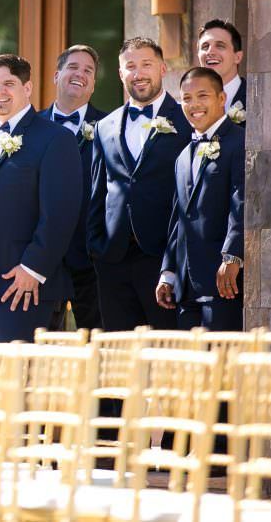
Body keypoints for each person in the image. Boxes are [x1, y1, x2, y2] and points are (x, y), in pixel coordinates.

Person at [0, 55, 80, 342]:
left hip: (24, 288)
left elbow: (60, 213)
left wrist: (33, 269)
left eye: (8, 84)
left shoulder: (55, 138)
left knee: (25, 380)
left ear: (28, 87)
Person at [87, 37, 190, 331]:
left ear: (162, 68)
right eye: (130, 66)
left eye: (146, 64)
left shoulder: (185, 120)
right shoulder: (105, 126)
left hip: (163, 258)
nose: (138, 73)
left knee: (167, 354)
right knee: (119, 356)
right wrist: (96, 246)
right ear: (121, 74)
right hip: (113, 259)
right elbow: (98, 191)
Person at [157, 67, 244, 331]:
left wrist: (232, 257)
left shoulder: (240, 143)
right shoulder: (183, 155)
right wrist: (168, 272)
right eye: (187, 98)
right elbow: (178, 219)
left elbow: (241, 203)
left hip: (223, 283)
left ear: (221, 99)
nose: (194, 104)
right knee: (191, 370)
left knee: (221, 368)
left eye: (202, 95)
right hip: (185, 290)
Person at [38, 44, 108, 331]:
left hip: (91, 260)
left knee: (97, 344)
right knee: (41, 346)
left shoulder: (108, 127)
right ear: (56, 76)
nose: (80, 74)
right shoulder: (30, 127)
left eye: (88, 71)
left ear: (93, 84)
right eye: (73, 67)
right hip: (40, 259)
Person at [197, 18, 247, 124]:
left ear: (237, 57)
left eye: (220, 46)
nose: (210, 52)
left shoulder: (257, 101)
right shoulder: (187, 105)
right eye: (205, 47)